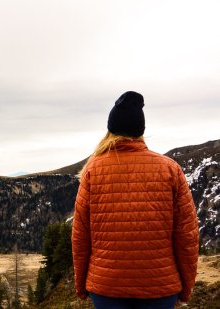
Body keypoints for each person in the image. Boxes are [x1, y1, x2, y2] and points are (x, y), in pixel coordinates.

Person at [71, 91, 199, 309]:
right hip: (160, 287)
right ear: (141, 131)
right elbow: (187, 235)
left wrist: (82, 285)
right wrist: (185, 288)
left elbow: (81, 235)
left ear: (110, 129)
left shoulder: (93, 170)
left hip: (106, 288)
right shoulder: (170, 169)